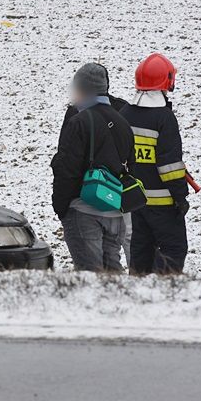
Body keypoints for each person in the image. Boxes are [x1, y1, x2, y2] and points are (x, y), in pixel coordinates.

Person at [51, 63, 134, 272]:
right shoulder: (123, 120)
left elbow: (66, 168)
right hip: (115, 212)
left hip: (83, 211)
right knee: (111, 277)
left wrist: (61, 207)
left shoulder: (79, 121)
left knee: (90, 278)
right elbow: (131, 166)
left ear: (82, 88)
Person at [120, 53, 188, 275]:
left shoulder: (125, 114)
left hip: (135, 200)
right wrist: (180, 196)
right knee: (174, 249)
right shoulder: (164, 118)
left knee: (140, 249)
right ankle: (163, 294)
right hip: (163, 202)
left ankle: (139, 292)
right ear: (167, 81)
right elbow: (169, 165)